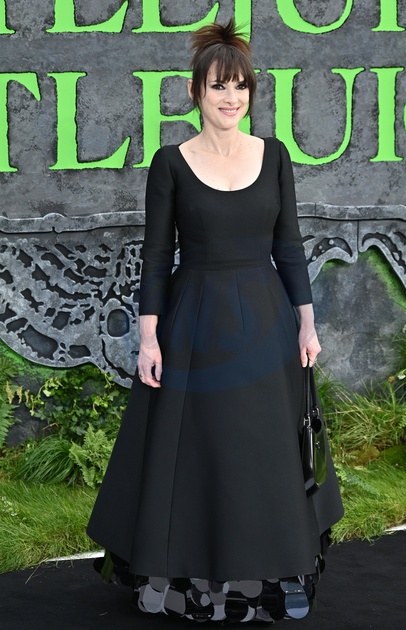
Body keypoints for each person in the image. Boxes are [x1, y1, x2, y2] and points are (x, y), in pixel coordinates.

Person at [87, 19, 344, 623]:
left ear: (251, 92)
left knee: (265, 450)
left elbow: (290, 248)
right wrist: (148, 338)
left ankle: (278, 573)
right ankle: (185, 575)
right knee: (199, 453)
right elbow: (156, 255)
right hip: (194, 326)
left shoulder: (274, 156)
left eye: (240, 86)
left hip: (267, 325)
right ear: (194, 92)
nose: (231, 98)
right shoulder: (170, 163)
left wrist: (307, 325)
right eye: (218, 86)